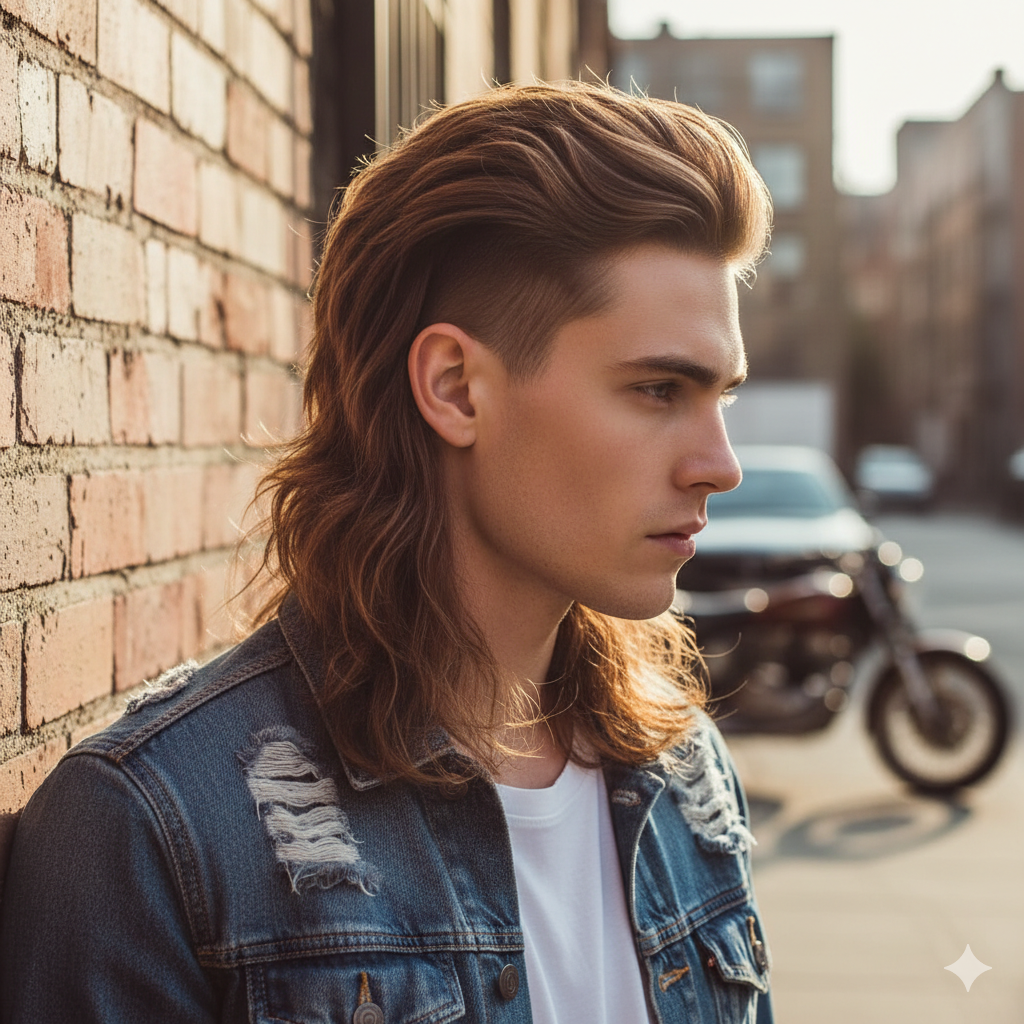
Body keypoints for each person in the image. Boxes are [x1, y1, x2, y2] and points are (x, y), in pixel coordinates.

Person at [0, 81, 773, 1023]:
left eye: (721, 396)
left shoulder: (684, 776)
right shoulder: (155, 833)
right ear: (454, 387)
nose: (720, 465)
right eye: (658, 389)